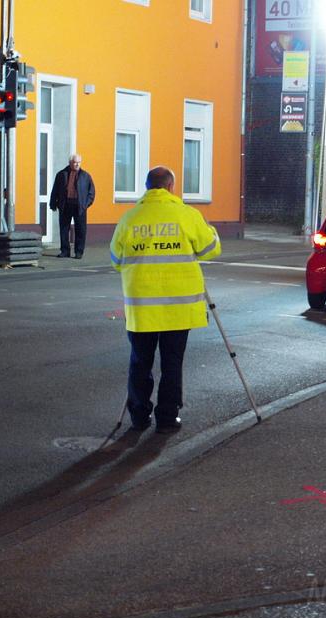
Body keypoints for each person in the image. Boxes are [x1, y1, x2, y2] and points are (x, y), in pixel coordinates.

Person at [110, 166, 221, 434]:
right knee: (172, 364)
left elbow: (116, 260)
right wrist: (210, 230)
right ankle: (167, 419)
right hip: (178, 309)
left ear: (147, 187)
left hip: (142, 309)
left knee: (140, 362)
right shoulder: (187, 215)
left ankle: (138, 417)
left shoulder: (130, 219)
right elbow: (210, 249)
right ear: (171, 187)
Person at [50, 154, 95, 258]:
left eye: (79, 162)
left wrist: (85, 204)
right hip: (65, 205)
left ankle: (79, 252)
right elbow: (55, 190)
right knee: (64, 229)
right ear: (70, 163)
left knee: (80, 229)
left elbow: (91, 192)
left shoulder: (85, 176)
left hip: (79, 206)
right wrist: (53, 203)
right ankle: (65, 251)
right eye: (75, 162)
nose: (77, 164)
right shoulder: (61, 174)